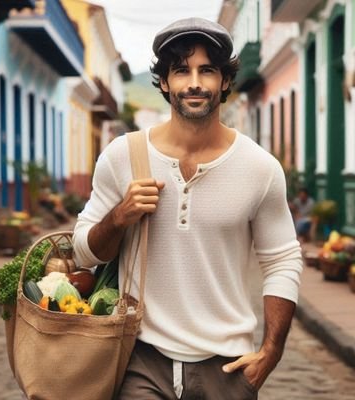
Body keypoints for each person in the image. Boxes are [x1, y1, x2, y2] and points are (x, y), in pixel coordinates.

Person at [73, 17, 302, 400]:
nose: (194, 82)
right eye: (181, 70)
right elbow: (83, 251)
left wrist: (271, 351)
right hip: (139, 360)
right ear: (164, 82)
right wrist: (119, 216)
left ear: (225, 81)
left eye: (207, 70)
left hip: (227, 367)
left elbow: (281, 260)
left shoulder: (260, 168)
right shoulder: (121, 156)